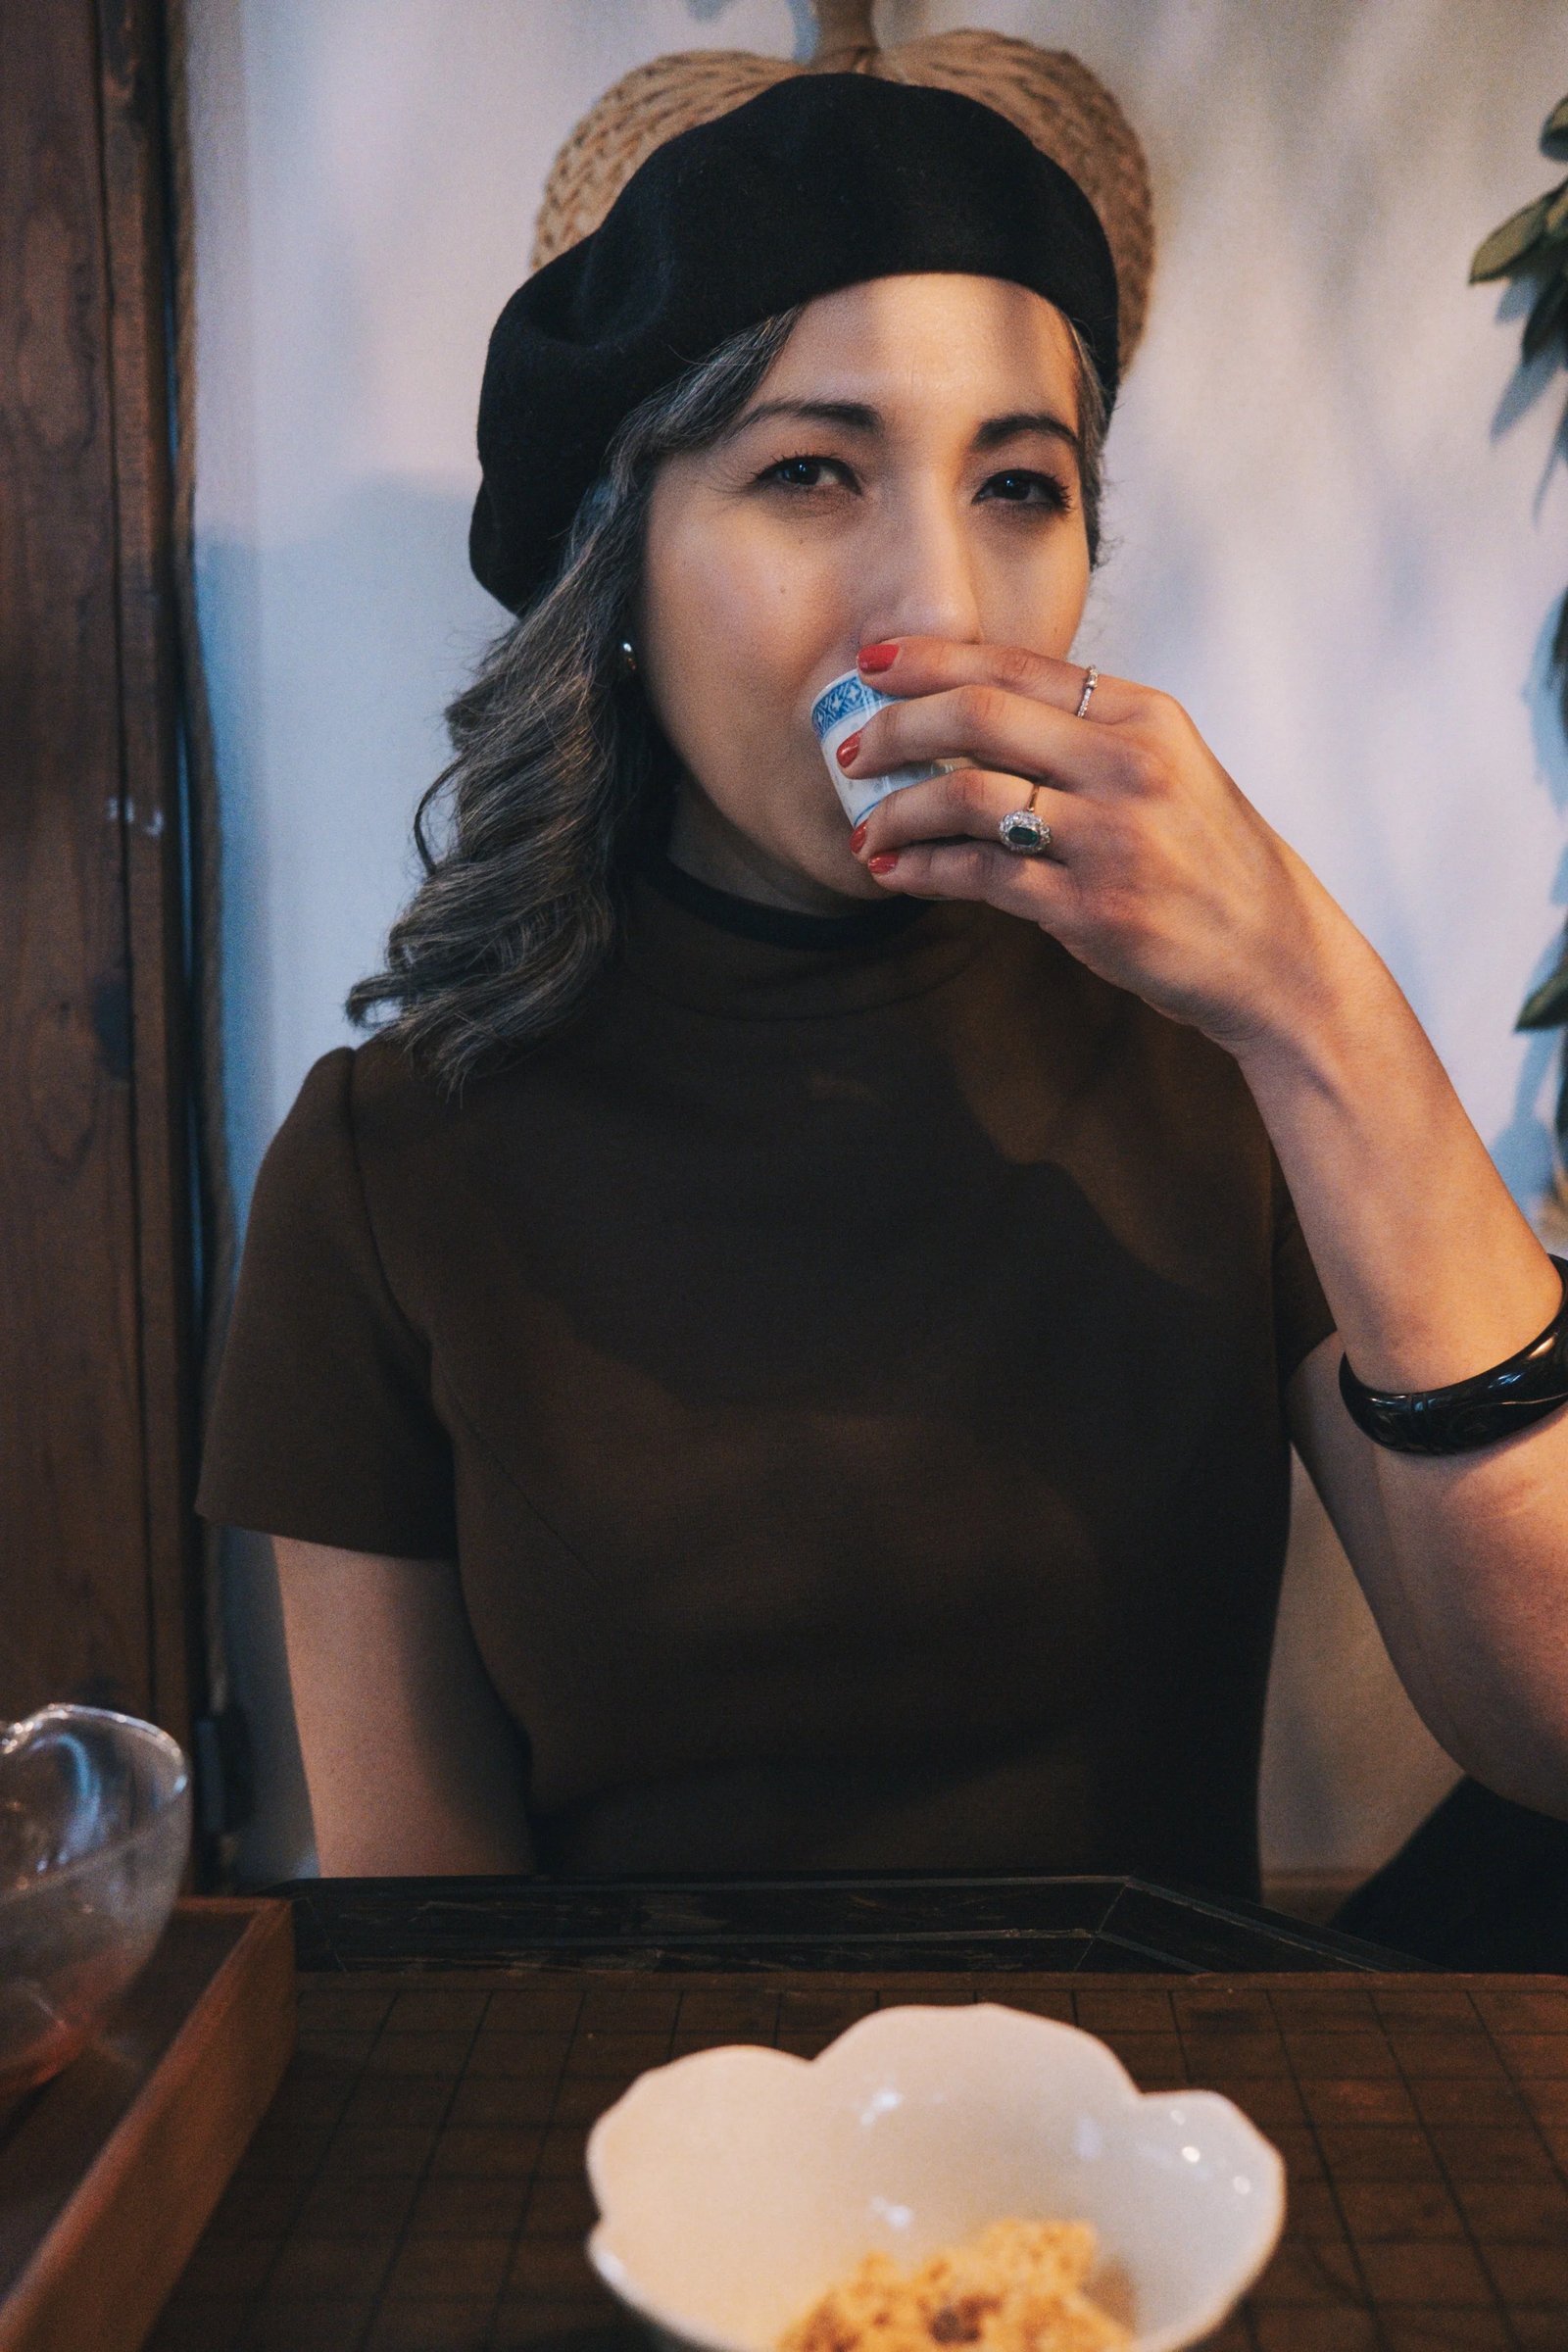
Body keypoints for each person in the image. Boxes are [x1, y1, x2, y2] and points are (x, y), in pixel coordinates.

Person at [198, 73, 1568, 1889]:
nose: (941, 599)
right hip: (627, 2147)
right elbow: (417, 1919)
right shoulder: (386, 1166)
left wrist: (1314, 998)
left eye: (1019, 485)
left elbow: (1550, 1725)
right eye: (806, 473)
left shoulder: (1229, 1068)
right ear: (624, 570)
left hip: (1140, 2138)